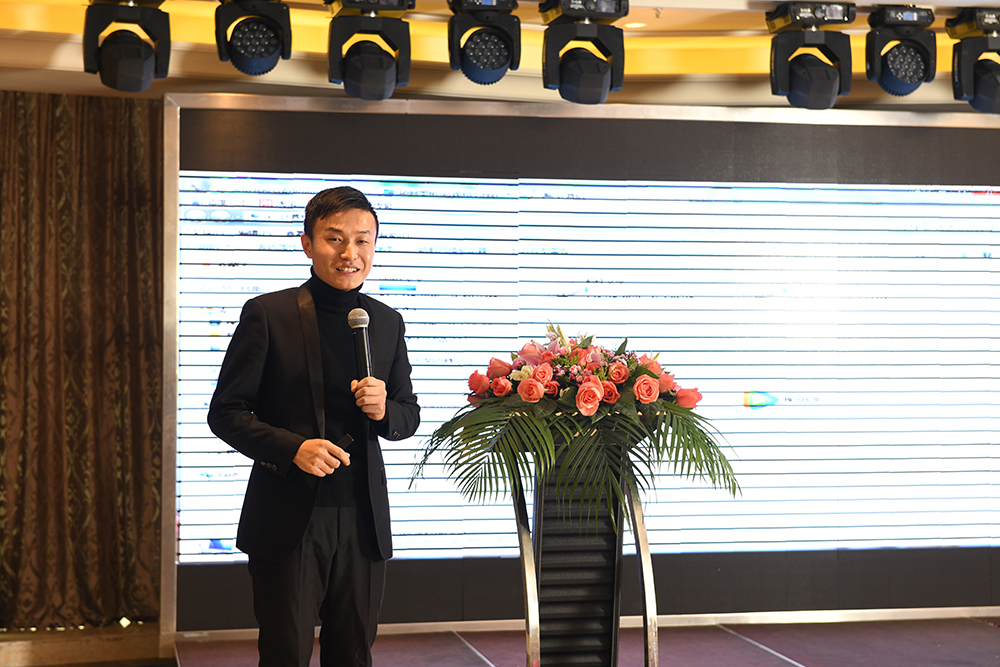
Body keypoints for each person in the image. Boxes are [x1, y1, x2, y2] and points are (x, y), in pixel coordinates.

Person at [208, 186, 420, 667]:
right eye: (335, 239)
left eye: (363, 241)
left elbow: (408, 416)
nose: (350, 253)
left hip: (363, 521)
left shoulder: (387, 322)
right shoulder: (268, 314)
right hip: (289, 518)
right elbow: (226, 411)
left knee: (354, 655)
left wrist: (385, 411)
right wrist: (292, 448)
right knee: (285, 654)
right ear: (307, 243)